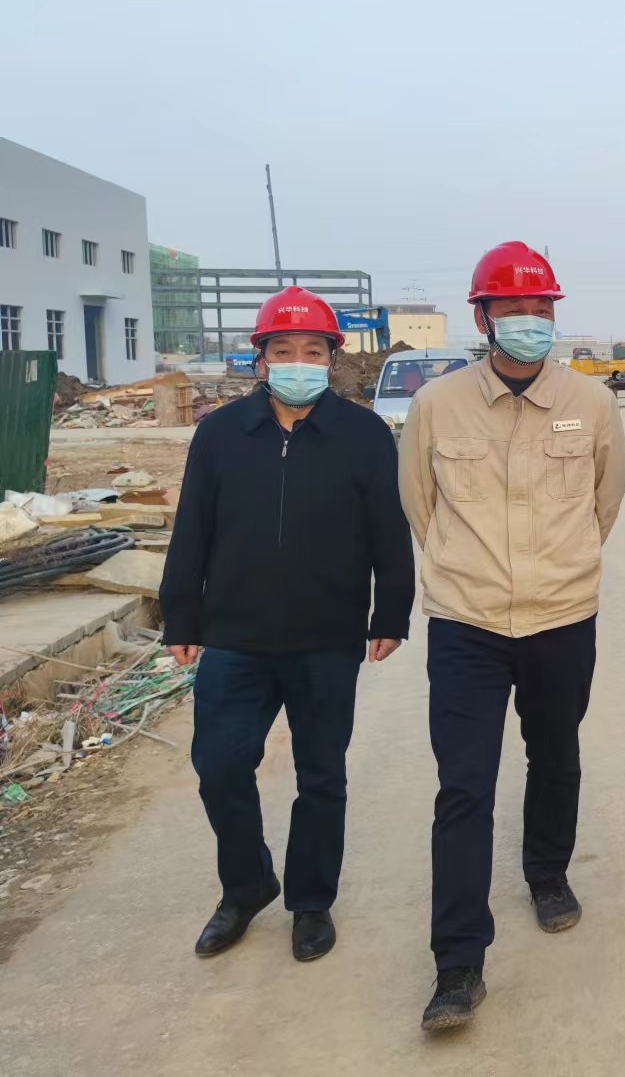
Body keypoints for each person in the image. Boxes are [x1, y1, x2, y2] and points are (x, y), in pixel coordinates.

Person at [399, 241, 625, 1031]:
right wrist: (471, 571)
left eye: (541, 308)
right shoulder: (437, 405)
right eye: (513, 308)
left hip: (562, 616)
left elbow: (604, 501)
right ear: (483, 317)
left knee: (555, 754)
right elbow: (420, 505)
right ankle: (458, 964)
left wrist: (560, 568)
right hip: (466, 622)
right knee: (464, 785)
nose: (530, 320)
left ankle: (548, 873)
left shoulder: (591, 403)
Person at [161, 286, 413, 964]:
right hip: (235, 637)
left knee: (321, 776)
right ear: (262, 358)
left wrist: (391, 611)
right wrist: (181, 613)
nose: (298, 361)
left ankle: (311, 900)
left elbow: (389, 532)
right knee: (219, 767)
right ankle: (245, 888)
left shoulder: (363, 435)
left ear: (332, 359)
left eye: (312, 350)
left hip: (327, 637)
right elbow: (192, 528)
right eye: (284, 349)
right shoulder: (220, 433)